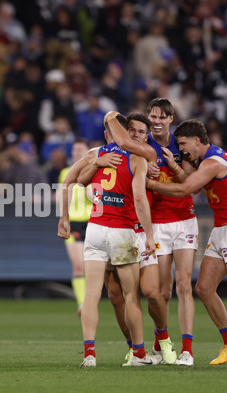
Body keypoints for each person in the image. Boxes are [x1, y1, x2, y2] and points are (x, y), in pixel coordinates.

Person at [147, 119, 227, 366]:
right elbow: (190, 182)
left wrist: (150, 184)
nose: (181, 149)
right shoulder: (208, 160)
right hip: (221, 229)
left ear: (197, 140)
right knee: (203, 288)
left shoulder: (213, 162)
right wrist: (173, 164)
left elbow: (186, 189)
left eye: (183, 144)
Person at [59, 112, 159, 367]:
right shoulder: (138, 157)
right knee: (131, 296)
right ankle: (138, 354)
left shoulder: (96, 154)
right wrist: (149, 235)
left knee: (91, 295)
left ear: (107, 134)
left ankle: (90, 354)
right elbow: (139, 199)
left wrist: (64, 219)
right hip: (122, 232)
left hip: (95, 230)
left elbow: (72, 181)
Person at [80, 113, 177, 366]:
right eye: (130, 130)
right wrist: (97, 163)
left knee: (152, 294)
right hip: (124, 231)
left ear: (147, 136)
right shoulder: (113, 155)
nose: (134, 135)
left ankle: (162, 341)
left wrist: (110, 119)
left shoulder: (147, 154)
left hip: (136, 230)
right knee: (118, 296)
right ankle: (134, 350)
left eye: (140, 132)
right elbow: (77, 180)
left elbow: (78, 182)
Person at [145, 98, 197, 366]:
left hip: (184, 219)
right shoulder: (142, 146)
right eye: (153, 116)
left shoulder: (181, 144)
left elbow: (190, 182)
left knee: (185, 286)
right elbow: (131, 177)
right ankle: (161, 341)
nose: (156, 121)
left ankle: (187, 350)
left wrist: (172, 166)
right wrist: (145, 174)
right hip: (156, 224)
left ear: (170, 119)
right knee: (162, 292)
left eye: (162, 117)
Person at [57, 138, 92, 316]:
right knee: (78, 266)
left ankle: (90, 301)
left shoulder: (95, 171)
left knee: (91, 266)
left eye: (81, 150)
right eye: (75, 150)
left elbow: (96, 197)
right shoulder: (66, 172)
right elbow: (62, 195)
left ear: (88, 152)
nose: (78, 153)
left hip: (93, 223)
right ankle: (82, 304)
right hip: (74, 222)